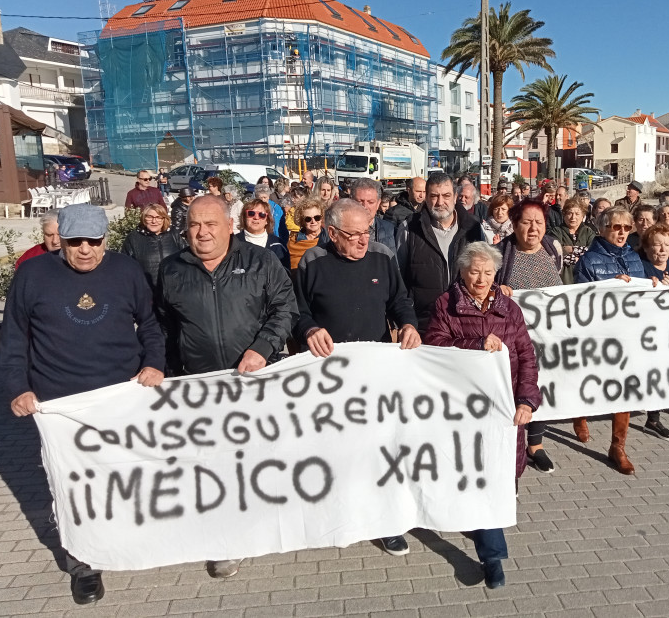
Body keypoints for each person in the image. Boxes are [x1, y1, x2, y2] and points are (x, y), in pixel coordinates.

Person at [0, 204, 165, 605]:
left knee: (124, 475)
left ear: (106, 240)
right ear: (61, 241)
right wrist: (17, 388)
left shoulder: (126, 271)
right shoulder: (32, 274)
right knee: (72, 486)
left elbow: (149, 325)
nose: (86, 250)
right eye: (76, 242)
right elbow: (14, 337)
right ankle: (83, 564)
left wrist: (154, 364)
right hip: (62, 404)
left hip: (120, 397)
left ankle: (128, 542)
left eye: (95, 241)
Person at [158, 195, 298, 578]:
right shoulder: (172, 269)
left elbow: (285, 308)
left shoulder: (260, 262)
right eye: (193, 225)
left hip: (254, 381)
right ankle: (227, 540)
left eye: (210, 224)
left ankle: (267, 522)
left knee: (256, 457)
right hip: (201, 387)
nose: (201, 233)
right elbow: (163, 326)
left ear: (230, 225)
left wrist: (262, 347)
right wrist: (166, 374)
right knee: (216, 464)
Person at [293, 199, 419, 558]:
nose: (363, 240)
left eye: (367, 231)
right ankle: (337, 516)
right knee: (337, 450)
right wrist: (309, 328)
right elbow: (295, 310)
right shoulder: (312, 262)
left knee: (380, 448)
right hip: (329, 377)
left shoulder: (382, 256)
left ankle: (386, 522)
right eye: (354, 234)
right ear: (332, 234)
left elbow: (399, 299)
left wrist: (409, 323)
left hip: (375, 374)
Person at [424, 242, 540, 589]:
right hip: (463, 412)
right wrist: (474, 345)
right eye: (474, 271)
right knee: (481, 482)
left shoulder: (510, 309)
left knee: (499, 481)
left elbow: (527, 357)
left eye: (488, 272)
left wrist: (527, 401)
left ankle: (481, 528)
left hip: (503, 412)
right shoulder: (446, 306)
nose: (481, 278)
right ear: (461, 271)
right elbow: (434, 347)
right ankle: (493, 558)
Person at [573, 206, 648, 475]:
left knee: (624, 389)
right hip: (599, 335)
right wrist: (611, 289)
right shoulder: (588, 261)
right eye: (616, 227)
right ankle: (578, 414)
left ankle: (618, 446)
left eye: (627, 228)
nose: (622, 233)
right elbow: (582, 302)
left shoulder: (635, 258)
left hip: (627, 335)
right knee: (589, 381)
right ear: (603, 229)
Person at [495, 199, 562, 474]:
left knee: (539, 388)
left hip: (547, 339)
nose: (533, 229)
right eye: (526, 222)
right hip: (513, 340)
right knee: (514, 389)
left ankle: (535, 444)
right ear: (514, 224)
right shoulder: (500, 254)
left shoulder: (552, 250)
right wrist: (497, 289)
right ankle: (510, 443)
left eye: (539, 223)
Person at [397, 172, 485, 331]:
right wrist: (408, 320)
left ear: (455, 196)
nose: (440, 202)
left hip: (466, 322)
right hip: (425, 323)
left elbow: (484, 271)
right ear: (426, 197)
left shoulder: (472, 227)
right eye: (434, 196)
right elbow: (400, 279)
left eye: (446, 195)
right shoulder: (409, 228)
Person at [638, 223, 669, 441]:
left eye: (666, 244)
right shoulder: (640, 266)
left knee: (661, 375)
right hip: (644, 331)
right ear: (647, 248)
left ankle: (653, 419)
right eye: (657, 245)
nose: (663, 249)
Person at [121, 203, 186, 290]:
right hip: (147, 292)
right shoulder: (134, 238)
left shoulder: (173, 235)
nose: (154, 221)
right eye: (150, 217)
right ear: (144, 218)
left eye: (158, 217)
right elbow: (125, 267)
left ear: (164, 219)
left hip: (174, 291)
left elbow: (186, 258)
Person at [235, 198, 290, 270]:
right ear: (244, 217)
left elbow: (285, 276)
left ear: (267, 220)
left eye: (262, 215)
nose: (256, 217)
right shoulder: (233, 243)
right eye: (251, 213)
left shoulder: (278, 245)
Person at [550, 197, 595, 284]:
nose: (573, 217)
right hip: (564, 279)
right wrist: (581, 252)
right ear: (564, 214)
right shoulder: (556, 231)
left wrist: (572, 250)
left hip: (585, 279)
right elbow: (555, 252)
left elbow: (593, 252)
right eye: (570, 213)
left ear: (583, 216)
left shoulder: (588, 232)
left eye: (577, 214)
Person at [352, 177, 396, 254]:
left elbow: (392, 262)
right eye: (360, 201)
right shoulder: (340, 229)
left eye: (371, 202)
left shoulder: (389, 229)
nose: (365, 207)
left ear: (378, 203)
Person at [288, 196, 329, 272]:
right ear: (302, 221)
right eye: (308, 219)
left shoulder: (330, 239)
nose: (313, 221)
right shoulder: (293, 241)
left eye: (317, 217)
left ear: (322, 217)